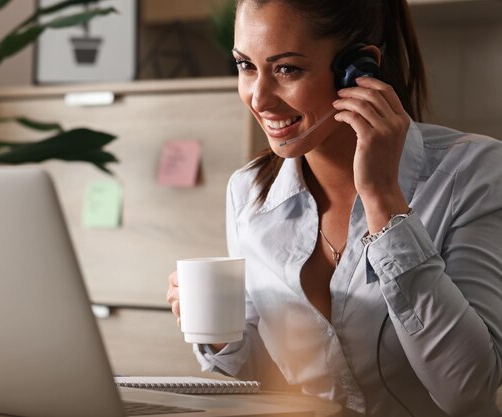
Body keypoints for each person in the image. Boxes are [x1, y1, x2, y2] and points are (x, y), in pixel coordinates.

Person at [166, 0, 502, 416]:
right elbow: (267, 380)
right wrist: (217, 333)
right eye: (245, 66)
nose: (259, 98)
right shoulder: (248, 192)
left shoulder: (474, 172)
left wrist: (382, 198)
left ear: (360, 69)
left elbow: (468, 392)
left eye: (287, 69)